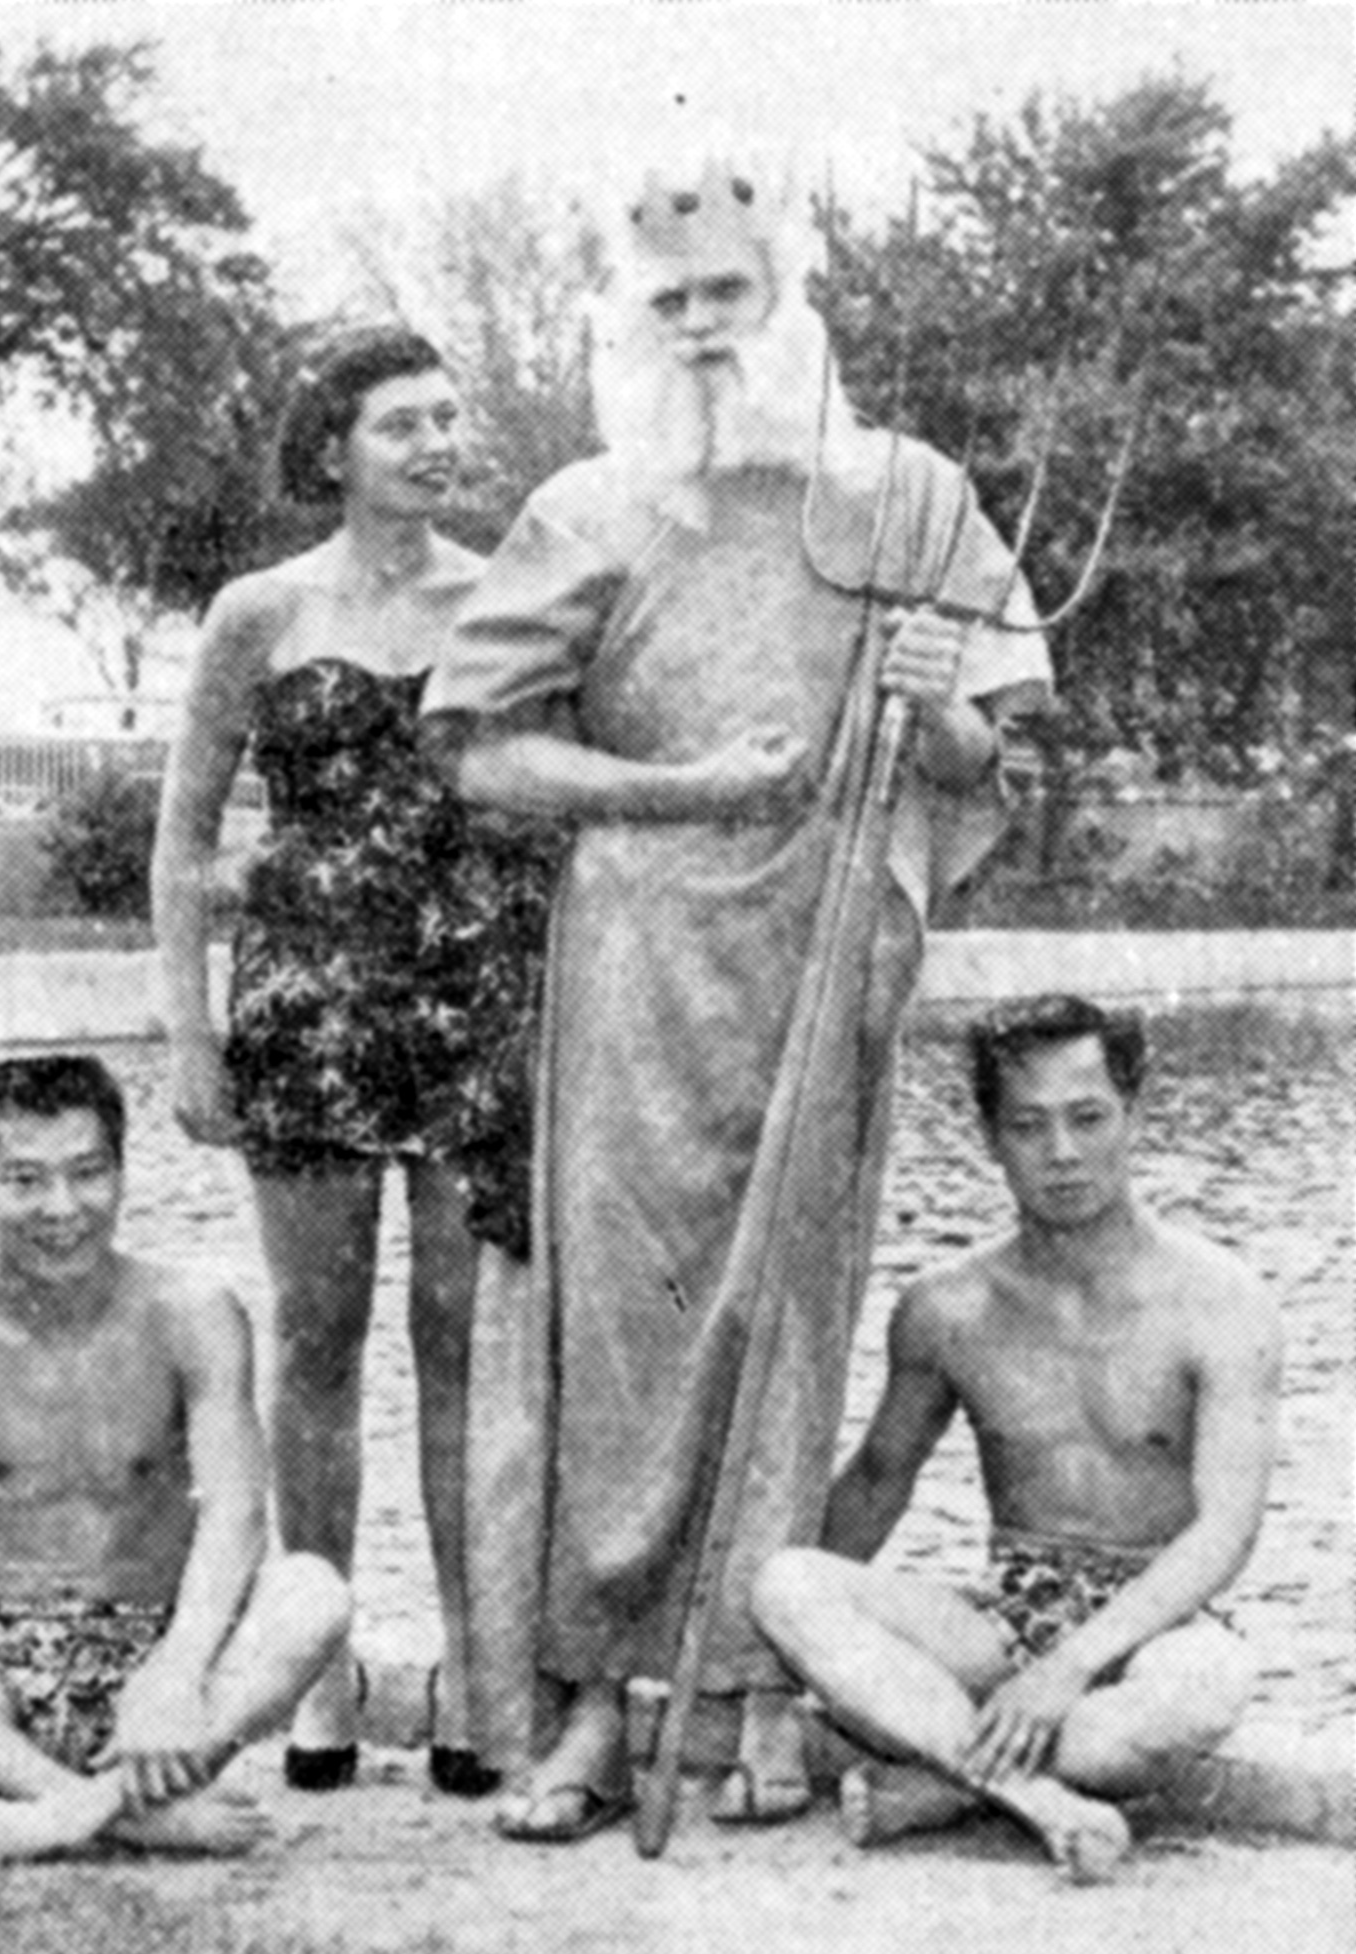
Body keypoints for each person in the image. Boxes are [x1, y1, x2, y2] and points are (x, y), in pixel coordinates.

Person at [423, 155, 1053, 1842]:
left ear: (790, 300)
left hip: (825, 946)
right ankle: (580, 1717)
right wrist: (677, 785)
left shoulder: (907, 500)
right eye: (669, 305)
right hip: (630, 962)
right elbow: (480, 750)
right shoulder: (588, 506)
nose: (703, 333)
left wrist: (935, 710)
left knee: (787, 1324)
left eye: (729, 296)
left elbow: (987, 756)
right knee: (609, 1338)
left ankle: (754, 1689)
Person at [152, 327, 556, 1796]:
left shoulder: (508, 596)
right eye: (402, 424)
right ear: (331, 449)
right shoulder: (259, 611)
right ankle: (316, 1673)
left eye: (450, 418)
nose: (438, 445)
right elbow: (185, 843)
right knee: (315, 1346)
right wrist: (191, 1036)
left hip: (470, 1010)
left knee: (460, 1347)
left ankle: (471, 1671)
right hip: (308, 1016)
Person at [750, 996, 1281, 1883]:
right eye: (1028, 1126)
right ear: (991, 1137)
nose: (1063, 1153)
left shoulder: (1224, 1302)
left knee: (1199, 1691)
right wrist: (779, 1678)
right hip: (1005, 1614)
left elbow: (1225, 1532)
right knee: (785, 1582)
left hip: (1157, 1620)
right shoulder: (946, 1307)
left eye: (1088, 1118)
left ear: (1135, 1115)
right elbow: (880, 1479)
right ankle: (1036, 1798)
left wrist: (1070, 1667)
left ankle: (949, 1782)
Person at [0, 1055, 351, 1861]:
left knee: (314, 1593)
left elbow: (238, 1512)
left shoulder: (192, 1314)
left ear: (122, 1175)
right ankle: (117, 1810)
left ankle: (51, 1814)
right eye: (24, 1180)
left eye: (87, 1174)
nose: (62, 1208)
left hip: (154, 1668)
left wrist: (176, 1672)